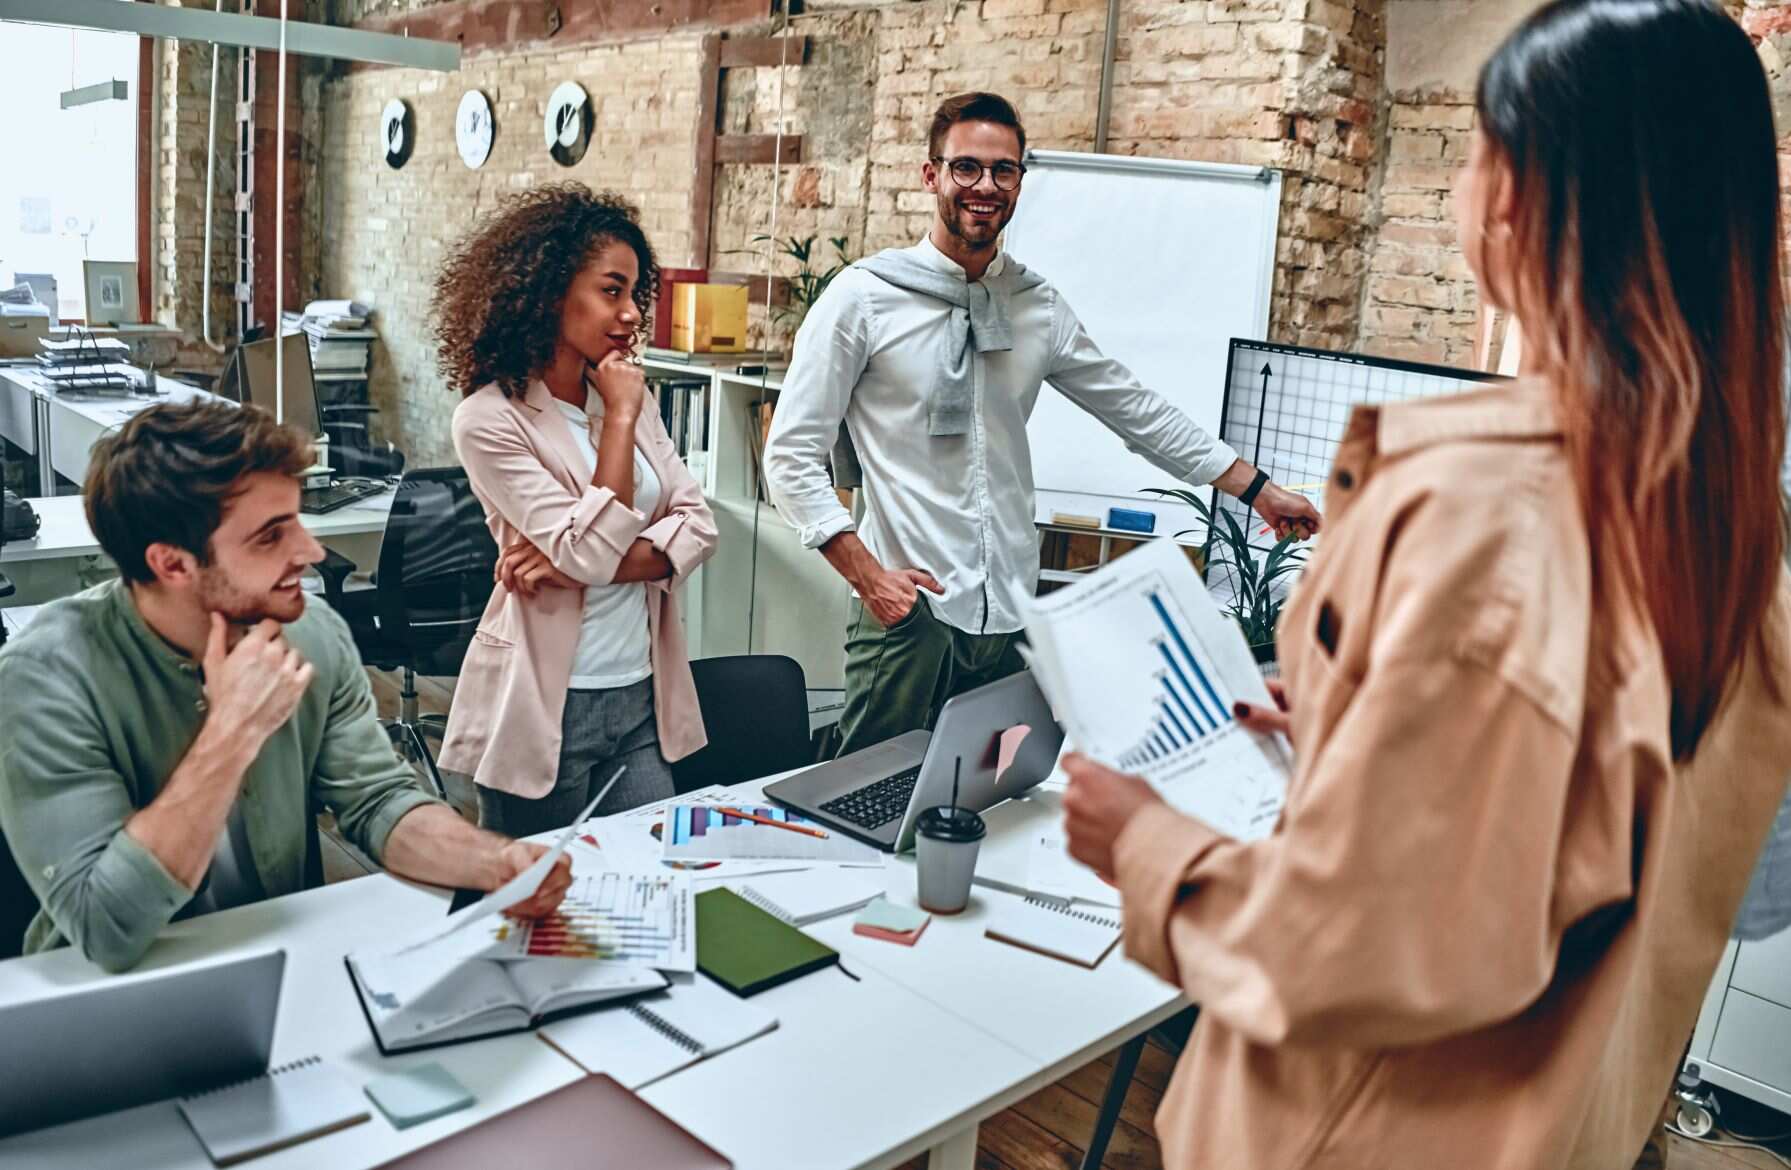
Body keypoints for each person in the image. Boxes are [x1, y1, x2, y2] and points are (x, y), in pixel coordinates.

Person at [1058, 2, 1791, 1166]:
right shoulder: (1743, 540)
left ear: (1521, 194)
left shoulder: (1480, 510)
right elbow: (1613, 854)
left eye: (1472, 146)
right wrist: (1367, 732)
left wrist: (1144, 840)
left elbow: (1341, 950)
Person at [763, 92, 1322, 759]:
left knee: (984, 800)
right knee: (867, 799)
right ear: (930, 175)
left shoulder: (1034, 304)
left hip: (1007, 616)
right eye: (965, 168)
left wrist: (1257, 489)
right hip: (910, 613)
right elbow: (791, 454)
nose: (985, 187)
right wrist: (867, 578)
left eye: (1003, 171)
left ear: (1020, 181)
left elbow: (1133, 408)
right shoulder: (863, 298)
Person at [0, 401, 572, 973]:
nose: (312, 551)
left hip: (275, 965)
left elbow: (378, 803)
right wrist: (230, 732)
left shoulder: (312, 631)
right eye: (271, 536)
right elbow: (105, 928)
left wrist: (496, 863)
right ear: (172, 565)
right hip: (97, 1001)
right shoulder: (44, 677)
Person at [434, 185, 716, 836]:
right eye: (610, 290)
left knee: (654, 874)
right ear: (549, 291)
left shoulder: (630, 397)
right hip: (544, 703)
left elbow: (698, 523)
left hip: (640, 689)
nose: (629, 315)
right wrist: (616, 418)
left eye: (633, 294)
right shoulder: (488, 421)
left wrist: (579, 564)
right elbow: (588, 551)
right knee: (539, 906)